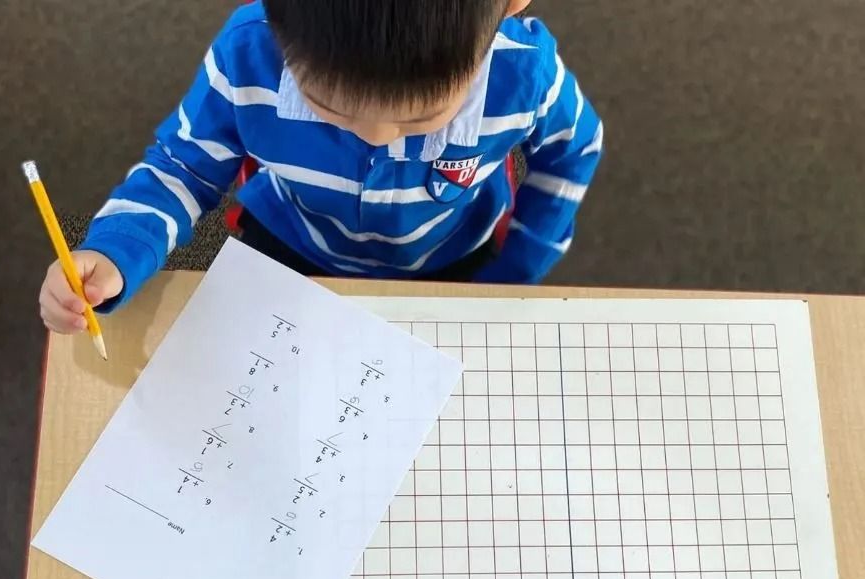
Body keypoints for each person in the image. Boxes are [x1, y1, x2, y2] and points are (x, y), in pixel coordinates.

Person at [38, 0, 603, 335]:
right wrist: (115, 247)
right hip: (291, 242)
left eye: (423, 118)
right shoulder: (247, 56)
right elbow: (182, 167)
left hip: (451, 257)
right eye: (328, 107)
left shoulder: (527, 76)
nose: (375, 137)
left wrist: (518, 274)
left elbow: (572, 153)